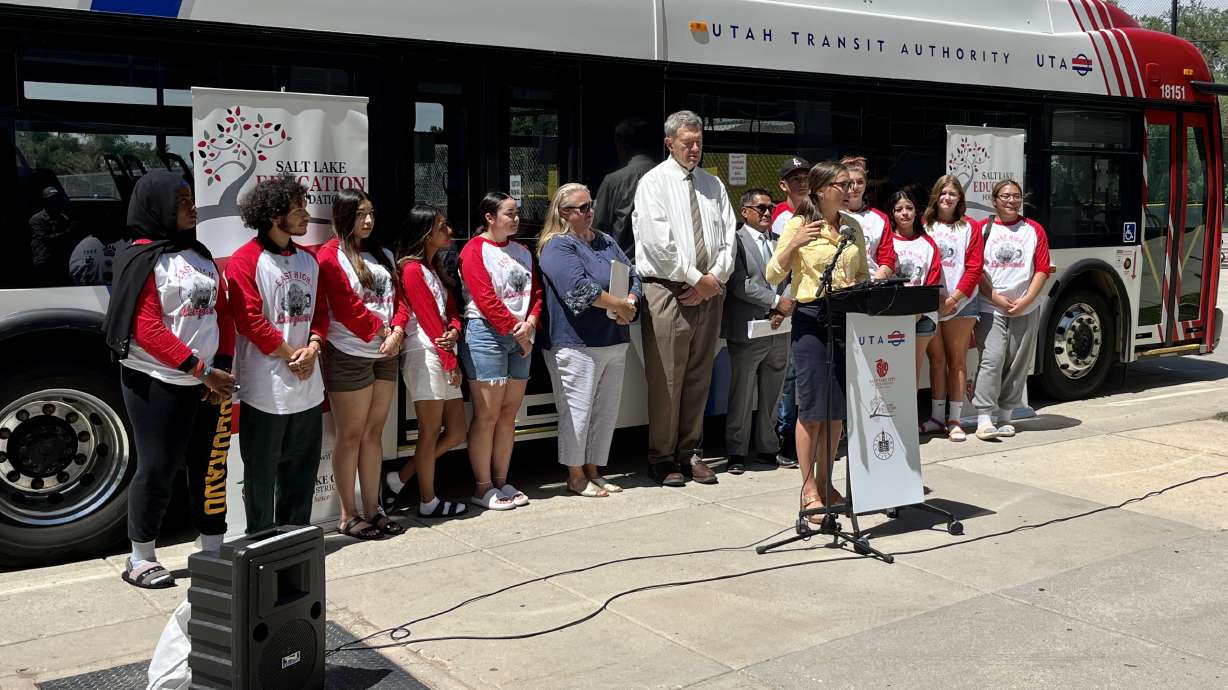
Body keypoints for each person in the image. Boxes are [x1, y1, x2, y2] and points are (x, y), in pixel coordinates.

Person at [102, 170, 236, 588]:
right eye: (182, 200)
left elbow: (222, 312)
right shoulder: (139, 257)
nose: (192, 206)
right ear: (157, 205)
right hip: (156, 379)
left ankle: (212, 547)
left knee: (209, 466)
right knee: (158, 466)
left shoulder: (199, 253)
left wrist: (223, 368)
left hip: (210, 382)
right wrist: (200, 370)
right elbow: (145, 328)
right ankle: (140, 556)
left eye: (191, 197)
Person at [632, 110, 737, 487]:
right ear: (669, 143)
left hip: (710, 291)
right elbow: (658, 244)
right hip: (668, 290)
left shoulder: (713, 185)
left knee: (699, 375)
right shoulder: (653, 183)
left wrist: (714, 279)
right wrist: (696, 278)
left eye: (699, 143)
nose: (694, 150)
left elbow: (729, 237)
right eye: (687, 143)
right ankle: (661, 457)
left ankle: (691, 453)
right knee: (667, 379)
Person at [766, 160, 868, 518]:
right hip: (811, 318)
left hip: (844, 318)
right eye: (842, 184)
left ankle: (827, 481)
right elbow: (773, 272)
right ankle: (808, 487)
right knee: (811, 408)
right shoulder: (798, 223)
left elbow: (862, 273)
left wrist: (859, 286)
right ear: (822, 189)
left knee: (835, 409)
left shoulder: (853, 226)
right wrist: (794, 243)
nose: (849, 189)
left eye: (851, 183)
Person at [226, 176, 327, 534]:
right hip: (265, 390)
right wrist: (291, 355)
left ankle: (297, 543)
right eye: (297, 208)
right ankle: (262, 542)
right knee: (261, 474)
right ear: (272, 215)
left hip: (308, 387)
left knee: (301, 472)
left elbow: (321, 314)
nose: (306, 216)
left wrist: (312, 348)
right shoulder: (244, 261)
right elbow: (250, 320)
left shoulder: (309, 260)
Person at [538, 183, 641, 496]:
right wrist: (620, 306)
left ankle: (595, 469)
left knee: (605, 412)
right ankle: (575, 474)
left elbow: (632, 274)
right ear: (564, 213)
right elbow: (579, 289)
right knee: (577, 412)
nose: (589, 211)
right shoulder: (557, 246)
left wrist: (632, 302)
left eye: (590, 205)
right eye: (581, 208)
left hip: (613, 339)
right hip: (575, 344)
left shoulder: (606, 240)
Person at [317, 189, 408, 539]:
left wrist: (398, 330)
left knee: (374, 434)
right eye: (359, 214)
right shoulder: (330, 256)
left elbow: (401, 300)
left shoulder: (383, 253)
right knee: (350, 435)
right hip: (350, 353)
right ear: (342, 216)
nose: (368, 221)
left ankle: (374, 509)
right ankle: (348, 515)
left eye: (370, 212)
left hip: (385, 354)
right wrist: (384, 330)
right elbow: (344, 307)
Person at [384, 205, 469, 518]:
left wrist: (456, 331)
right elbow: (430, 319)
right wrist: (451, 363)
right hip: (425, 353)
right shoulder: (410, 269)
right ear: (425, 233)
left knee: (457, 431)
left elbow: (451, 314)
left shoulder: (433, 268)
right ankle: (428, 501)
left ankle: (398, 478)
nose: (450, 231)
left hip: (443, 353)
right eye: (442, 226)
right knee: (430, 431)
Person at [459, 192, 542, 510]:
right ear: (490, 217)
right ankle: (482, 487)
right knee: (488, 414)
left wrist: (531, 321)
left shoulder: (522, 251)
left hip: (521, 334)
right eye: (509, 213)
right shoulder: (474, 249)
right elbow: (484, 298)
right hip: (487, 334)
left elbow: (536, 292)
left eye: (517, 213)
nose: (516, 218)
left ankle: (502, 479)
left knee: (509, 415)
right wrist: (516, 331)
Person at [973, 179, 1050, 440]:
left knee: (1017, 362)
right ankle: (984, 417)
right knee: (992, 360)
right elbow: (976, 270)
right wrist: (994, 296)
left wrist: (1027, 300)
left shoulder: (1034, 229)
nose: (1011, 201)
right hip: (989, 306)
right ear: (994, 200)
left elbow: (1041, 269)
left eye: (1016, 196)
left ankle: (1006, 416)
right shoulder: (983, 229)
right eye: (1005, 196)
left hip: (1025, 307)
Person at [723, 188, 793, 475]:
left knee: (773, 391)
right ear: (745, 212)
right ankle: (736, 452)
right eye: (761, 207)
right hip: (748, 328)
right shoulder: (734, 242)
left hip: (779, 327)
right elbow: (739, 283)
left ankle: (768, 447)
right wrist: (776, 301)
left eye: (770, 207)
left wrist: (783, 307)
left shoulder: (780, 242)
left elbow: (793, 276)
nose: (767, 213)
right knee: (742, 393)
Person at [923, 174, 984, 441]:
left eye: (953, 194)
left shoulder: (970, 227)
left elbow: (974, 267)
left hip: (962, 303)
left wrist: (954, 299)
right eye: (943, 193)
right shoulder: (925, 225)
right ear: (936, 196)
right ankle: (936, 417)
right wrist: (935, 301)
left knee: (957, 361)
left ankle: (955, 419)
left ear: (960, 198)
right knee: (936, 361)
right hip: (930, 303)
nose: (947, 198)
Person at [886, 189, 945, 432]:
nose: (904, 213)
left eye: (909, 208)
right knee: (890, 373)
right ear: (892, 213)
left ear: (916, 211)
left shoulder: (928, 243)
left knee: (911, 371)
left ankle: (906, 423)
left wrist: (918, 311)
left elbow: (932, 280)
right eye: (899, 209)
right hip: (891, 318)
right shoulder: (887, 240)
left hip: (922, 318)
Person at [772, 157, 809, 470]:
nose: (801, 182)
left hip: (813, 305)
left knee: (807, 374)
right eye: (794, 178)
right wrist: (782, 303)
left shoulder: (817, 213)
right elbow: (779, 269)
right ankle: (786, 438)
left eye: (805, 176)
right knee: (789, 377)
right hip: (788, 305)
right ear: (783, 185)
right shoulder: (780, 218)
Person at [594, 118, 658, 259]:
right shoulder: (668, 177)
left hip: (622, 263)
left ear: (622, 145)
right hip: (660, 265)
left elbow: (598, 226)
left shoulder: (613, 181)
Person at [839, 156, 895, 279]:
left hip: (870, 285)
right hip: (837, 285)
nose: (855, 187)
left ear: (866, 184)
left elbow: (888, 260)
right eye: (850, 182)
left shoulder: (880, 218)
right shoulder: (831, 213)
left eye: (860, 182)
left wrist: (872, 285)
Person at [29, 185, 78, 287]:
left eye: (57, 199)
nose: (55, 202)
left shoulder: (63, 217)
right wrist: (68, 232)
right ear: (45, 202)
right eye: (51, 200)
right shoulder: (37, 219)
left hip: (59, 260)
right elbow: (46, 239)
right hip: (44, 261)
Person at [771, 156, 810, 236]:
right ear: (783, 186)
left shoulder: (821, 211)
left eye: (806, 178)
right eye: (796, 179)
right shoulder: (773, 213)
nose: (803, 183)